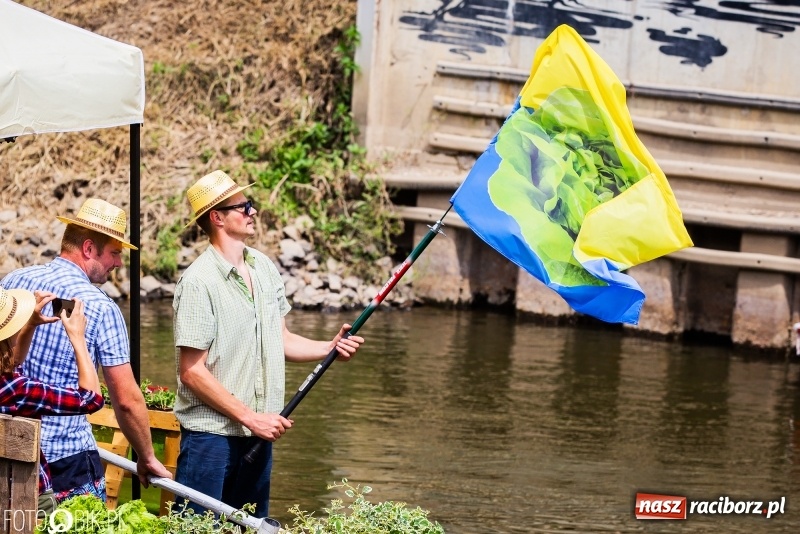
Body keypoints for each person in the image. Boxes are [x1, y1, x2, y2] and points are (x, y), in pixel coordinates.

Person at [173, 170, 364, 518]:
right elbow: (192, 372)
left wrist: (329, 347)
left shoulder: (262, 267)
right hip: (210, 439)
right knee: (195, 528)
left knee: (251, 527)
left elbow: (282, 339)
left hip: (258, 435)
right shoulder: (198, 282)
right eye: (243, 207)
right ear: (217, 217)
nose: (253, 212)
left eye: (251, 205)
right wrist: (251, 418)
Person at [1, 198, 172, 503]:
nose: (118, 263)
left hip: (11, 449)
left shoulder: (14, 281)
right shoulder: (100, 307)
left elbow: (7, 364)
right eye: (115, 253)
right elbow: (126, 400)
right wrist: (146, 456)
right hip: (67, 458)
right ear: (89, 249)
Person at [0, 287, 104, 516]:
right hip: (26, 502)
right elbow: (91, 400)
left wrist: (30, 325)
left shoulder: (8, 385)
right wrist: (78, 337)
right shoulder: (17, 390)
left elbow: (12, 362)